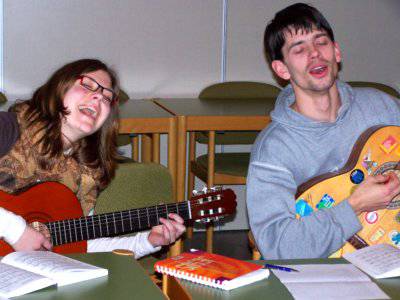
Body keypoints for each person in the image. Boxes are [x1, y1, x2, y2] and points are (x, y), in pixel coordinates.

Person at [246, 3, 400, 259]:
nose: (315, 54)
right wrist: (355, 205)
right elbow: (278, 246)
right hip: (326, 273)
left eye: (321, 42)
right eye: (299, 49)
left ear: (336, 52)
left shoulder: (382, 106)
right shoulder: (274, 149)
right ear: (282, 69)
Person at [0, 59, 185, 258]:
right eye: (87, 85)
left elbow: (83, 246)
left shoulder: (87, 172)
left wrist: (147, 242)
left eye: (107, 97)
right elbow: (18, 232)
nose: (98, 97)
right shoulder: (7, 128)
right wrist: (15, 230)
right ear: (59, 87)